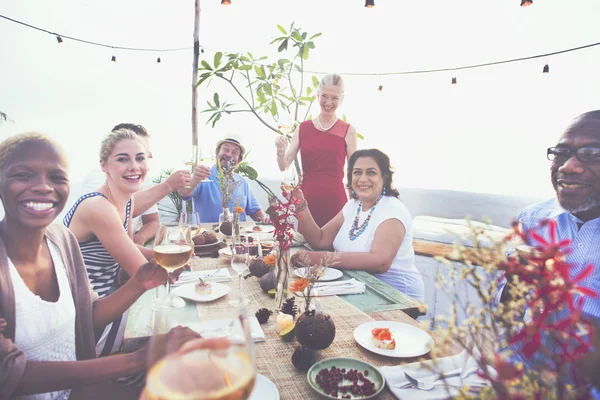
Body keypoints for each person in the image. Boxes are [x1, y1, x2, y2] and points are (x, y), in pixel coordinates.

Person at [0, 132, 195, 400]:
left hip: (77, 389)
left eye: (56, 177)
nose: (43, 187)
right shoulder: (96, 206)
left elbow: (88, 317)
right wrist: (136, 359)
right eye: (23, 175)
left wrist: (140, 282)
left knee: (189, 372)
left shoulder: (62, 242)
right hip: (74, 383)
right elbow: (7, 373)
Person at [62, 129, 157, 357]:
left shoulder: (125, 200)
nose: (134, 166)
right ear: (104, 165)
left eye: (140, 158)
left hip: (110, 297)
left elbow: (129, 247)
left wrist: (170, 252)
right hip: (88, 322)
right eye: (122, 159)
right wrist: (169, 261)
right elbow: (142, 272)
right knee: (172, 329)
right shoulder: (97, 207)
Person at [288, 148, 424, 301]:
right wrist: (300, 205)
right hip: (356, 286)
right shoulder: (353, 206)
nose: (363, 179)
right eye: (357, 172)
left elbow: (380, 262)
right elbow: (319, 240)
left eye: (371, 172)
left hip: (396, 296)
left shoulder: (392, 209)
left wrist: (319, 258)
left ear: (384, 177)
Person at [75, 123, 193, 246]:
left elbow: (152, 221)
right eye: (123, 158)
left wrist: (139, 239)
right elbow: (112, 212)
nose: (150, 155)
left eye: (141, 155)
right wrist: (167, 186)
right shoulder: (97, 179)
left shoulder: (137, 180)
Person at [275, 73, 358, 227]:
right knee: (304, 248)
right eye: (324, 96)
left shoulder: (348, 130)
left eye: (334, 98)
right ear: (317, 95)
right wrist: (280, 152)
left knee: (335, 248)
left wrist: (356, 205)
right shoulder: (303, 128)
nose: (328, 102)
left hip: (336, 200)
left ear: (342, 99)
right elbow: (283, 164)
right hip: (307, 201)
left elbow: (354, 172)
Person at [179, 134, 270, 224]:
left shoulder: (242, 182)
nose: (229, 154)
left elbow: (255, 211)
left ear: (239, 160)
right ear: (217, 152)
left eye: (235, 152)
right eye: (225, 149)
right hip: (208, 236)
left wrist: (265, 219)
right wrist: (195, 179)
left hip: (238, 235)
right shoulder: (203, 176)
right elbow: (184, 193)